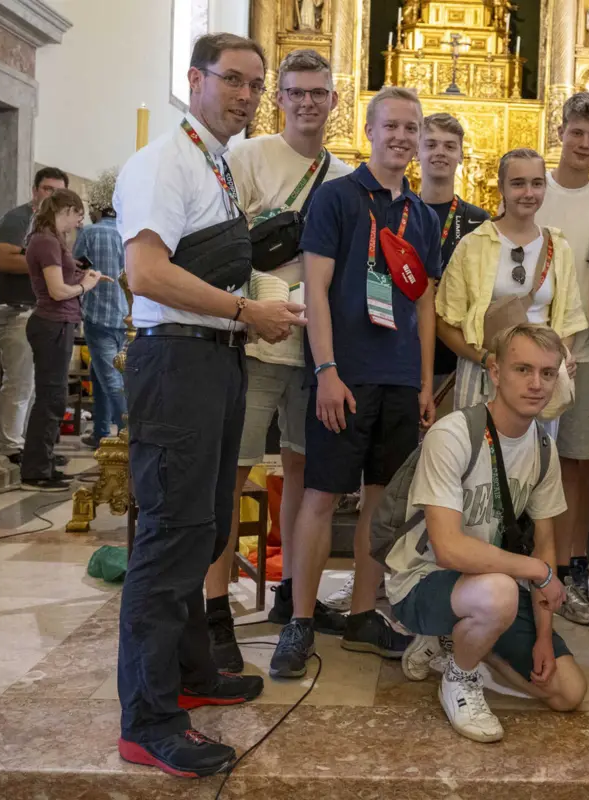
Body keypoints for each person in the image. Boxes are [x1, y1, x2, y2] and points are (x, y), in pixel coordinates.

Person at [114, 33, 306, 777]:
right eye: (232, 81)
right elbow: (146, 273)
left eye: (255, 85)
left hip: (216, 357)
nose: (246, 96)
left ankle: (193, 673)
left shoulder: (214, 163)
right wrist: (240, 308)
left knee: (204, 529)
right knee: (168, 539)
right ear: (193, 80)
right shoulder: (164, 160)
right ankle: (148, 719)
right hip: (179, 362)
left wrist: (257, 304)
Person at [269, 86, 440, 679]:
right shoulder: (337, 200)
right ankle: (299, 619)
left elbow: (423, 304)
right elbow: (314, 289)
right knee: (321, 495)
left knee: (380, 501)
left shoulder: (420, 215)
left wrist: (423, 383)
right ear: (369, 129)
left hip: (398, 378)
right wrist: (326, 370)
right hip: (345, 376)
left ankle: (366, 613)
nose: (401, 136)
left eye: (410, 128)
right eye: (390, 125)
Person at [198, 48, 354, 673]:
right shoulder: (249, 156)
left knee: (301, 473)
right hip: (253, 337)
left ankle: (294, 593)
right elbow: (215, 238)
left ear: (334, 101)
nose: (308, 102)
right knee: (231, 475)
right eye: (295, 92)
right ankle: (214, 608)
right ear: (280, 98)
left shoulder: (344, 176)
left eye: (319, 92)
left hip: (312, 350)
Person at [389, 323, 587, 743]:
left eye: (548, 373)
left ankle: (463, 639)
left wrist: (545, 637)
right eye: (523, 370)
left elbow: (547, 546)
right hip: (422, 582)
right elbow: (448, 549)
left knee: (568, 691)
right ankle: (460, 676)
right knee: (500, 593)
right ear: (495, 372)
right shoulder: (453, 434)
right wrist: (535, 570)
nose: (537, 384)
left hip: (493, 584)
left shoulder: (543, 449)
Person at [533, 92, 589, 626]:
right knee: (523, 462)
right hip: (529, 354)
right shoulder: (532, 190)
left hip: (585, 354)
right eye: (577, 133)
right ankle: (530, 564)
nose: (585, 145)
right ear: (560, 130)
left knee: (578, 460)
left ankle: (571, 568)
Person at [435, 148, 586, 410]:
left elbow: (568, 321)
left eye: (537, 184)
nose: (529, 193)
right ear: (501, 187)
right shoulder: (473, 245)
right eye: (518, 183)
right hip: (484, 372)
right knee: (480, 447)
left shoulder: (558, 247)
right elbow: (446, 323)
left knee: (533, 450)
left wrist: (560, 356)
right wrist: (486, 359)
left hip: (538, 379)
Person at [20, 189, 104, 491]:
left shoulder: (49, 240)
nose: (78, 222)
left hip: (58, 323)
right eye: (77, 215)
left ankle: (42, 462)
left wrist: (80, 275)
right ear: (65, 209)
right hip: (52, 323)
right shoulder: (46, 241)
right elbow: (56, 291)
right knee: (51, 398)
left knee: (52, 398)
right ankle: (35, 471)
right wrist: (85, 286)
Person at [0, 166, 69, 461]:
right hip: (20, 310)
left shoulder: (54, 225)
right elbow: (2, 259)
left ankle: (33, 447)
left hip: (47, 313)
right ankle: (12, 444)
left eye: (58, 191)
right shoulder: (19, 218)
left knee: (40, 386)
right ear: (35, 190)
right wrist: (47, 263)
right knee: (20, 381)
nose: (52, 195)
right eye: (47, 189)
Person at [418, 112, 491, 389]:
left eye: (450, 146)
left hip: (459, 358)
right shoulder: (399, 212)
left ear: (461, 155)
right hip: (405, 354)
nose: (440, 152)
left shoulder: (478, 220)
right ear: (416, 151)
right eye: (431, 144)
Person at [74, 168, 128, 449]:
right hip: (126, 316)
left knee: (110, 377)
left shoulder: (90, 233)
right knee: (101, 373)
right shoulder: (128, 230)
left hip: (98, 315)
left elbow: (75, 268)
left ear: (96, 205)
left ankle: (131, 433)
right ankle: (101, 432)